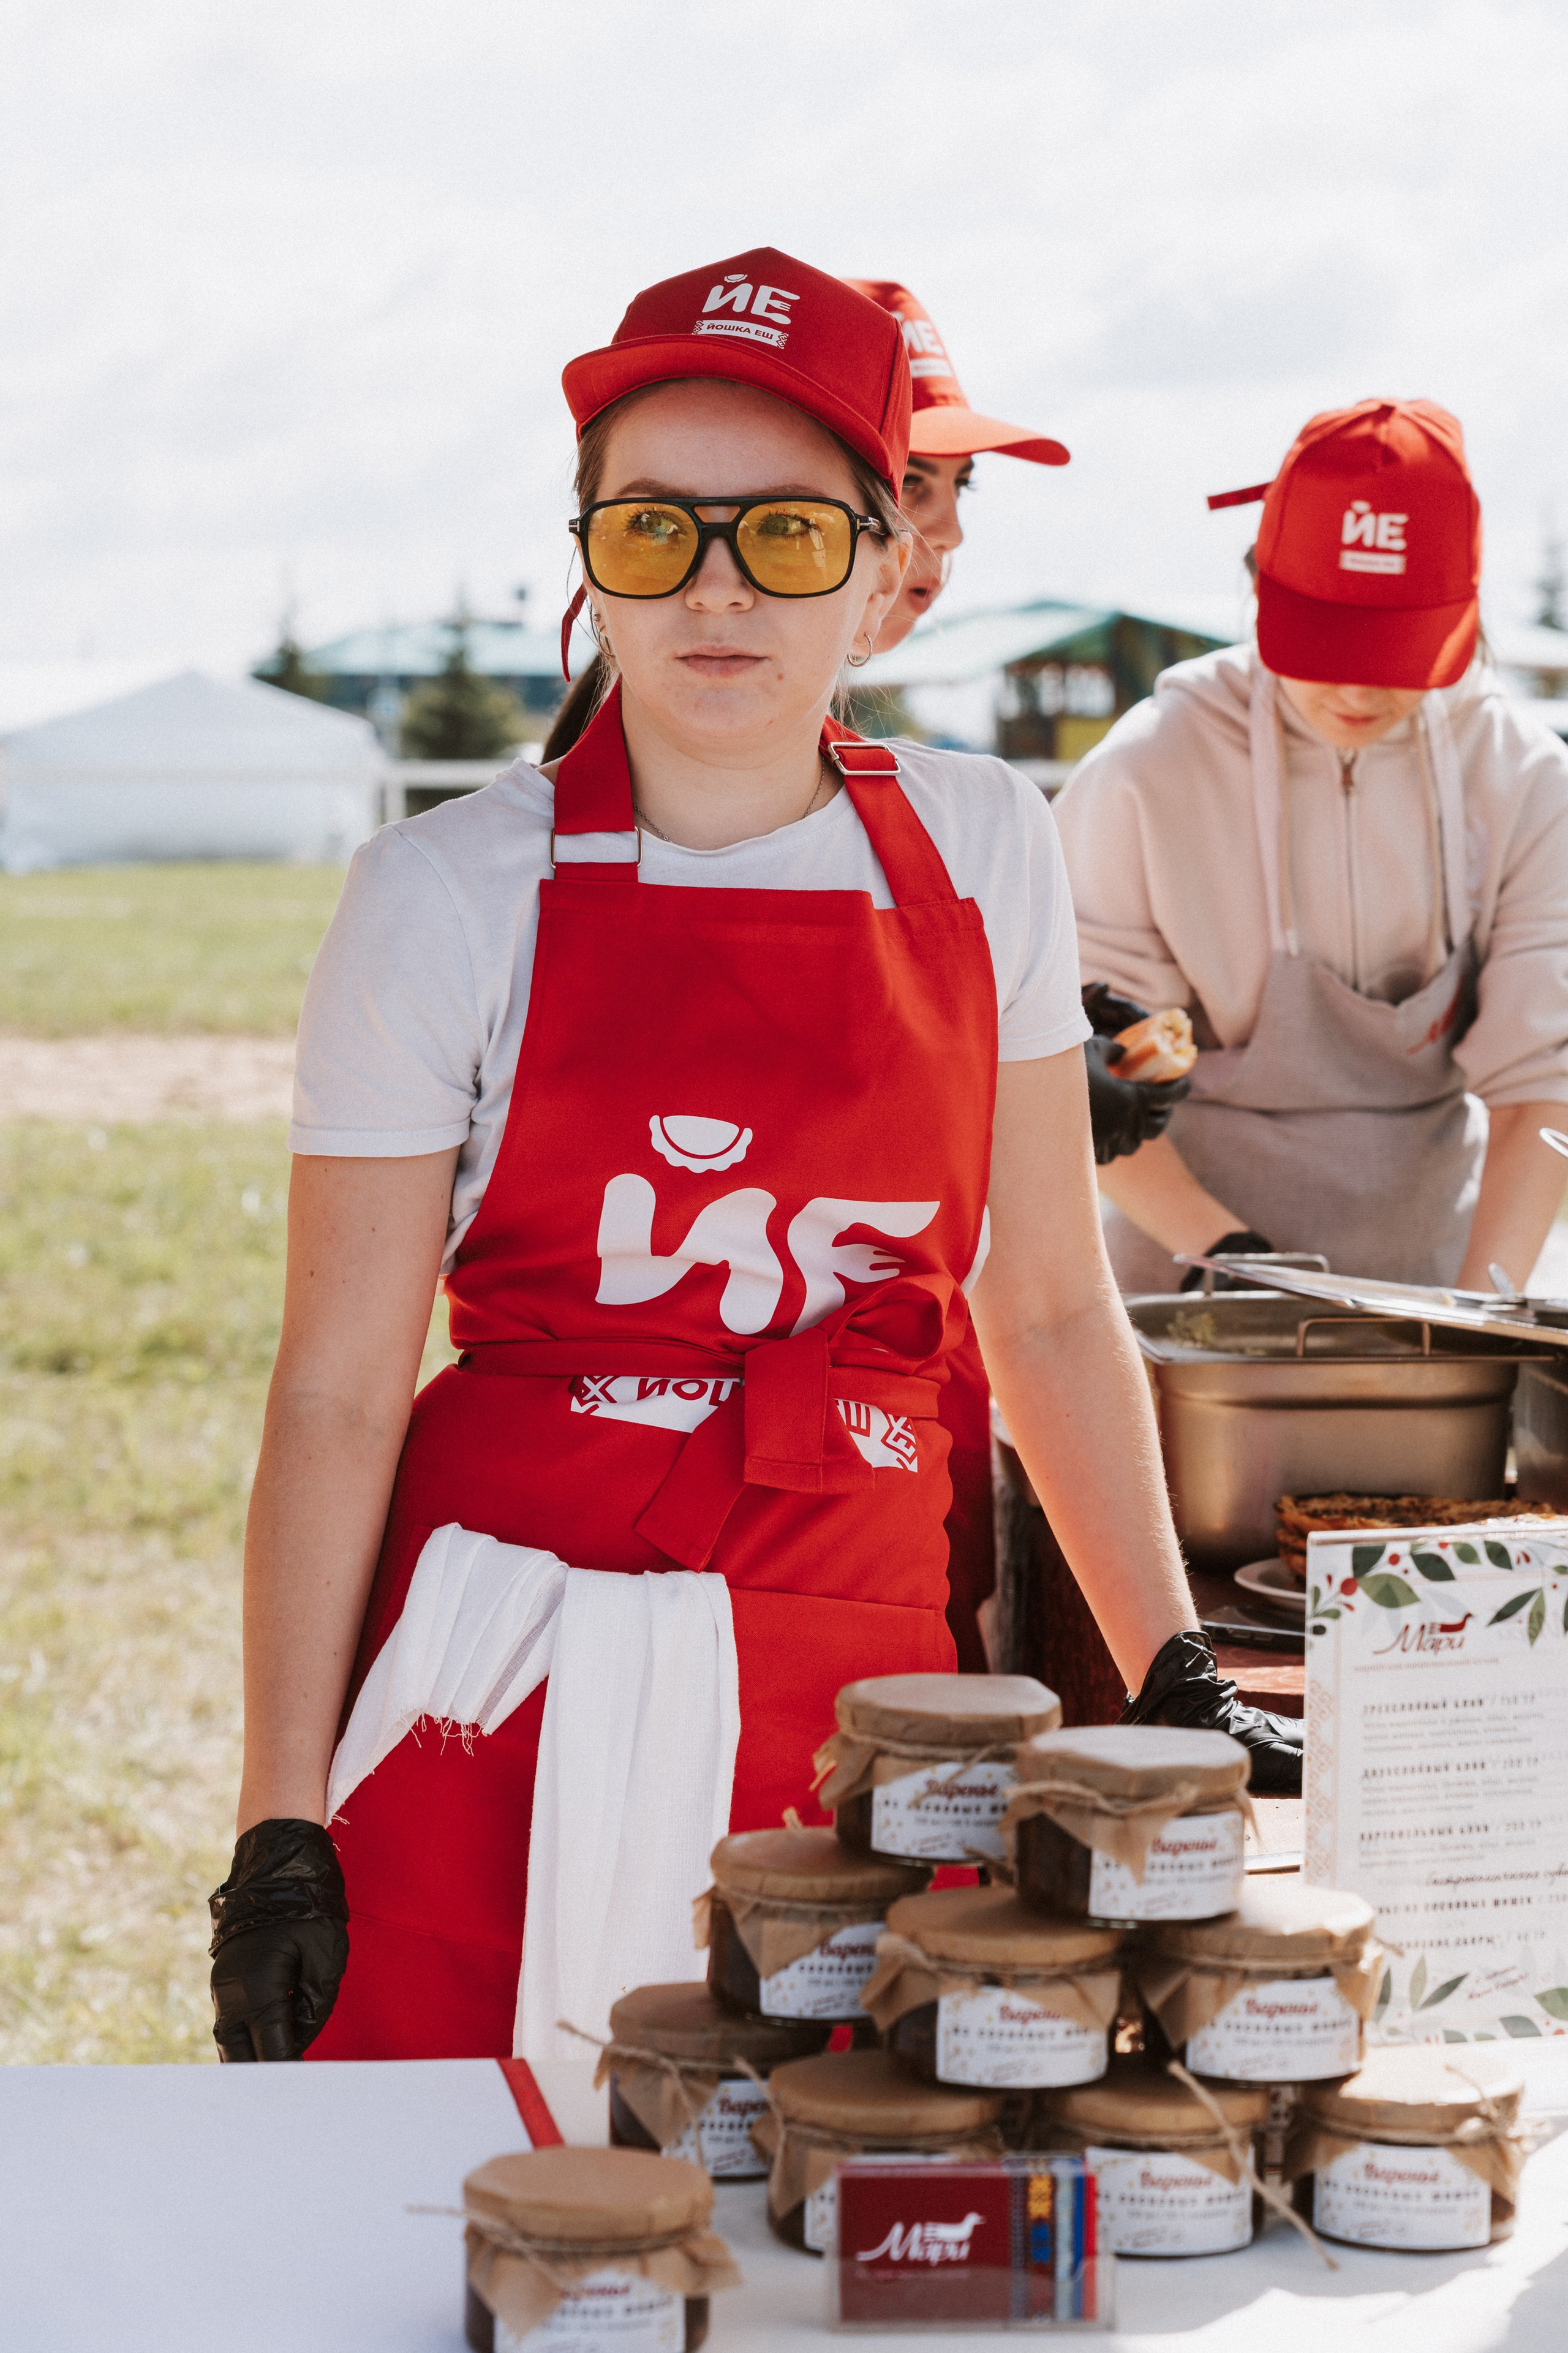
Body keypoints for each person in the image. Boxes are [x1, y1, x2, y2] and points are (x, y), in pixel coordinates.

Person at [208, 247, 1297, 2071]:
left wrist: (1171, 1664)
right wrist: (276, 1816)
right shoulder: (442, 893)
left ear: (889, 562)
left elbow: (1043, 1305)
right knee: (454, 2212)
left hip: (864, 1665)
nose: (717, 590)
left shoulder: (982, 847)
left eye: (786, 535)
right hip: (507, 1660)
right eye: (653, 534)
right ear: (590, 564)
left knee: (848, 2195)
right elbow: (334, 1391)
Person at [1055, 398, 1568, 1297]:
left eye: (1398, 649)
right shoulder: (1146, 773)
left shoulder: (1523, 777)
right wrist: (1237, 1264)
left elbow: (1543, 1081)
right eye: (1324, 638)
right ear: (1258, 586)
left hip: (1436, 1286)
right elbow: (1079, 1079)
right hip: (1181, 1284)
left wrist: (1484, 1313)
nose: (1356, 689)